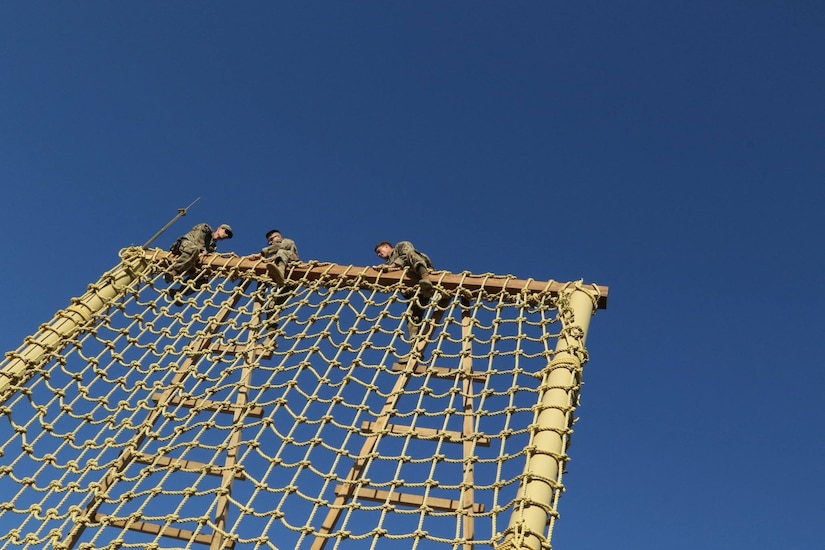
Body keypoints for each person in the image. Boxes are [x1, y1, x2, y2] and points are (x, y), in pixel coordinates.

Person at [248, 229, 300, 337]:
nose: (271, 242)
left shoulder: (287, 242)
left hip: (291, 275)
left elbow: (279, 248)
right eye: (269, 241)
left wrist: (261, 254)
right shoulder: (274, 257)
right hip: (280, 283)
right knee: (272, 306)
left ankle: (280, 273)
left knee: (281, 253)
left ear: (279, 236)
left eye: (272, 239)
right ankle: (270, 336)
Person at [165, 223, 233, 283]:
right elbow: (197, 239)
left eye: (228, 236)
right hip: (186, 245)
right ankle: (174, 271)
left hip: (192, 257)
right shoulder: (206, 229)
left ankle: (177, 292)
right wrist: (202, 250)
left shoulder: (212, 247)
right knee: (194, 250)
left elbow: (212, 256)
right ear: (219, 228)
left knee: (204, 279)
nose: (226, 235)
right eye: (226, 231)